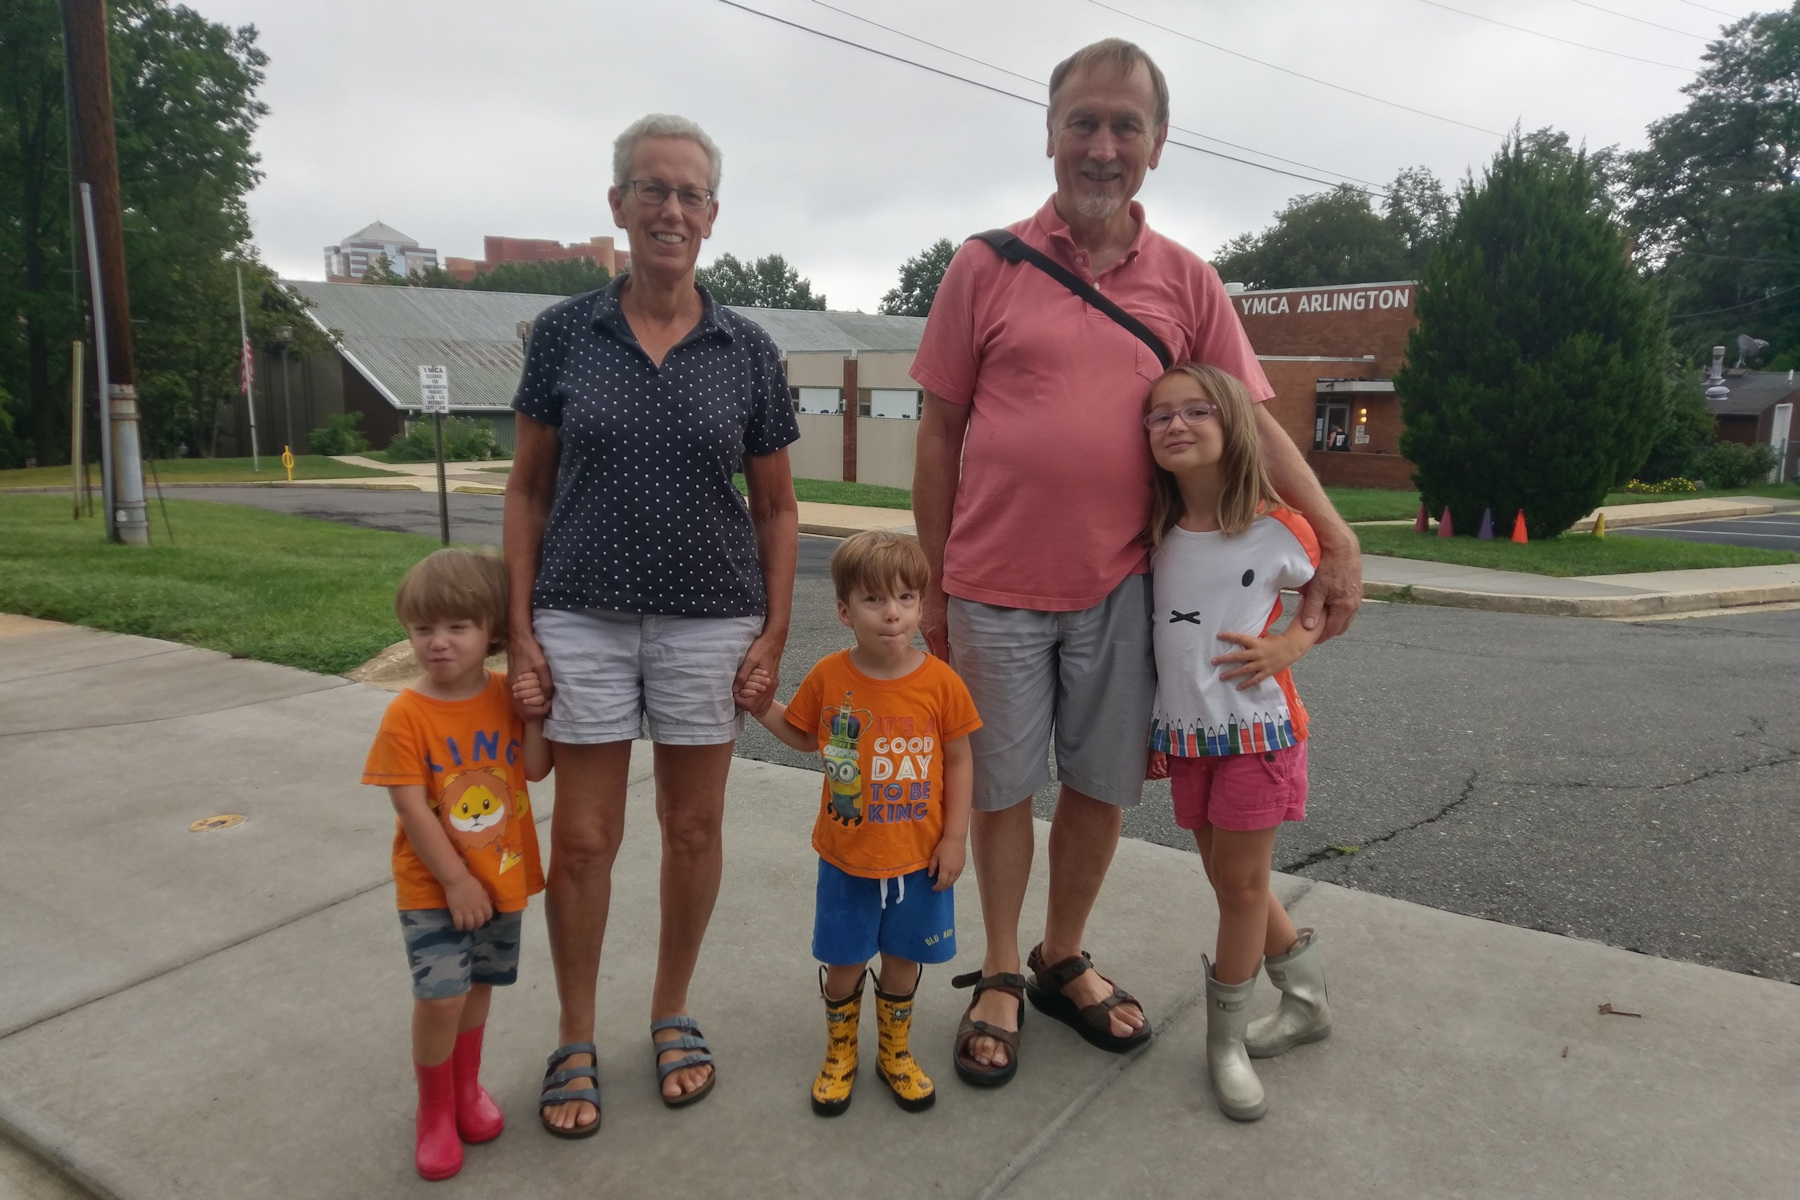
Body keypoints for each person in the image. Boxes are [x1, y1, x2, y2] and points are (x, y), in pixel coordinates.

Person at [909, 38, 1361, 1083]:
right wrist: (935, 580)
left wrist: (1334, 535)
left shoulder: (1187, 281)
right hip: (991, 586)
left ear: (1157, 144)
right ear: (1051, 134)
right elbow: (939, 431)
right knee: (1000, 789)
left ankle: (1060, 956)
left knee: (1100, 788)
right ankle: (998, 970)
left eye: (1126, 125)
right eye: (1084, 122)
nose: (1102, 146)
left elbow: (1252, 420)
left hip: (1126, 587)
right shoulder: (984, 265)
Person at [503, 112, 800, 1136]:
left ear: (712, 215)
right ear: (619, 203)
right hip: (580, 612)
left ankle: (671, 1009)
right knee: (584, 840)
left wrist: (773, 633)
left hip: (710, 619)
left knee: (693, 828)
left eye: (689, 194)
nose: (670, 209)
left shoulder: (745, 348)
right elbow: (527, 490)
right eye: (651, 189)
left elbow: (777, 507)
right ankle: (575, 1032)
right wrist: (520, 628)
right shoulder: (564, 334)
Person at [1141, 363, 1333, 1120]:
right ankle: (1307, 997)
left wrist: (1291, 644)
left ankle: (1225, 1044)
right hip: (1189, 737)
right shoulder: (1152, 534)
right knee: (1231, 883)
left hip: (1258, 732)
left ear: (1233, 424)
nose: (1176, 424)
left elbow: (1329, 592)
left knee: (1242, 887)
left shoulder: (1279, 527)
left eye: (1197, 411)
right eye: (1160, 415)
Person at [735, 531, 980, 1113]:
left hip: (919, 860)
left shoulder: (941, 682)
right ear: (845, 611)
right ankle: (840, 1052)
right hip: (848, 859)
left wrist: (955, 838)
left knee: (902, 961)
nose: (892, 613)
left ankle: (894, 1052)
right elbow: (804, 736)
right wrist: (762, 707)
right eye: (874, 599)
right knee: (843, 963)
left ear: (920, 604)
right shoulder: (829, 676)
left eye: (906, 598)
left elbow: (960, 760)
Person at [361, 549, 553, 1180]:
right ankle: (435, 1109)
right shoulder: (407, 713)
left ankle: (467, 1089)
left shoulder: (502, 697)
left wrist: (534, 715)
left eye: (456, 627)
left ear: (491, 630)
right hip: (435, 885)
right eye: (423, 628)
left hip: (501, 878)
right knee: (440, 997)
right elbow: (410, 808)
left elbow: (534, 768)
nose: (437, 642)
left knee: (477, 990)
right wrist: (454, 880)